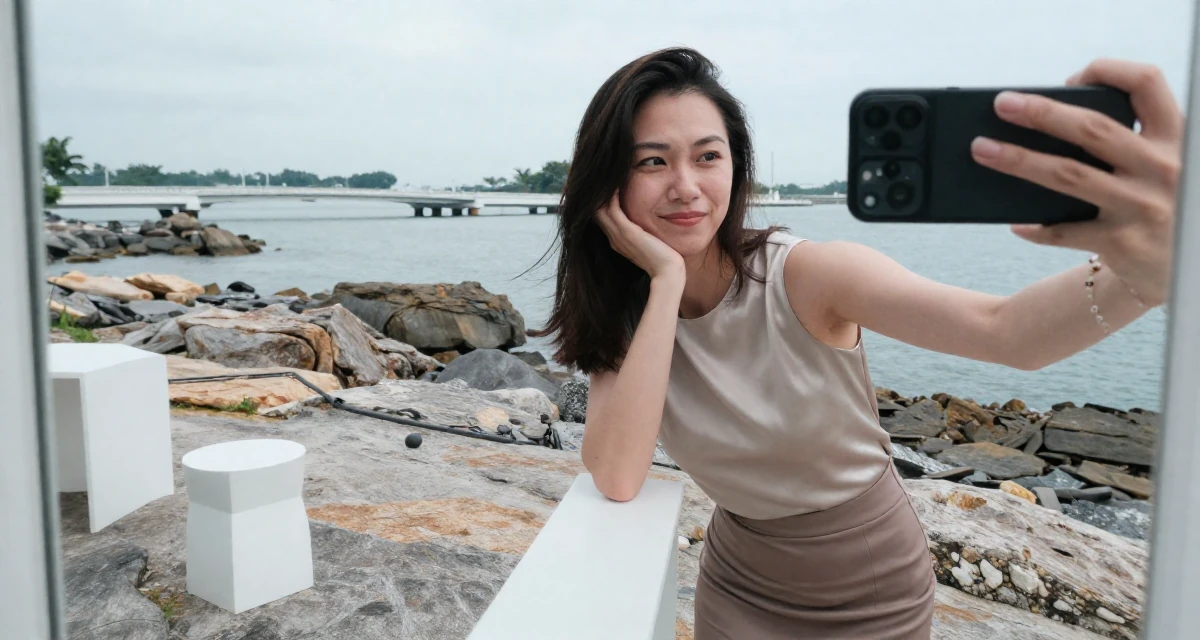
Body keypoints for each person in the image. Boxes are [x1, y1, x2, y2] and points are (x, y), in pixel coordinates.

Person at [535, 47, 1181, 639]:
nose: (686, 185)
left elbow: (1004, 330)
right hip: (739, 580)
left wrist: (1153, 272)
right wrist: (668, 281)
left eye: (708, 156)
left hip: (866, 587)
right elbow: (618, 475)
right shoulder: (633, 309)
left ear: (736, 165)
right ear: (610, 185)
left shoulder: (805, 275)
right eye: (653, 161)